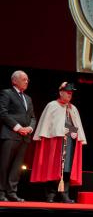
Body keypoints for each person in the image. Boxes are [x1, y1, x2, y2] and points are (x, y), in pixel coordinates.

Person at [30, 82, 87, 203]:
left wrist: (72, 130)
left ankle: (64, 194)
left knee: (66, 169)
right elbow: (47, 125)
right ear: (61, 92)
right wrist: (61, 129)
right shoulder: (52, 105)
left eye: (71, 93)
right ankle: (50, 194)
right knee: (53, 167)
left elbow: (75, 127)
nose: (70, 94)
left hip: (69, 142)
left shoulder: (73, 108)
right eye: (67, 92)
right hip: (55, 143)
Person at [0, 70, 36, 202]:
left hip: (24, 137)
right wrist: (18, 128)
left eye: (27, 79)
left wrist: (30, 128)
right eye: (24, 79)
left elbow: (33, 117)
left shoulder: (28, 98)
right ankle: (1, 192)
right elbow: (3, 113)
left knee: (17, 166)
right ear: (14, 80)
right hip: (10, 135)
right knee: (4, 165)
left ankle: (12, 192)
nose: (27, 81)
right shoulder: (7, 93)